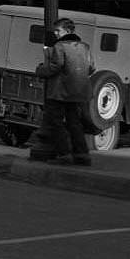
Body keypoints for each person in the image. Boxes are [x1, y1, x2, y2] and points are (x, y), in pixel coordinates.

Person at [35, 13, 95, 165]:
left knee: (55, 121)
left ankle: (64, 153)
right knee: (74, 122)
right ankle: (82, 154)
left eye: (58, 31)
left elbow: (55, 66)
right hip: (79, 91)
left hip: (60, 91)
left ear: (67, 31)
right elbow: (92, 68)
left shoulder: (60, 46)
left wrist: (40, 70)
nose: (55, 33)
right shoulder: (85, 47)